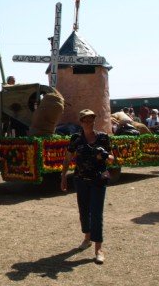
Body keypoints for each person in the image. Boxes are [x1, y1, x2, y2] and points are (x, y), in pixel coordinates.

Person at [60, 109, 114, 264]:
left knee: (96, 213)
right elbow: (68, 157)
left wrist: (103, 155)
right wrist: (63, 176)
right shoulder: (76, 138)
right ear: (81, 122)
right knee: (84, 211)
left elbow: (112, 159)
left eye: (92, 119)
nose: (89, 122)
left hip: (98, 180)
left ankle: (99, 248)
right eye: (86, 120)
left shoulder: (103, 138)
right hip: (81, 179)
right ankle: (87, 237)